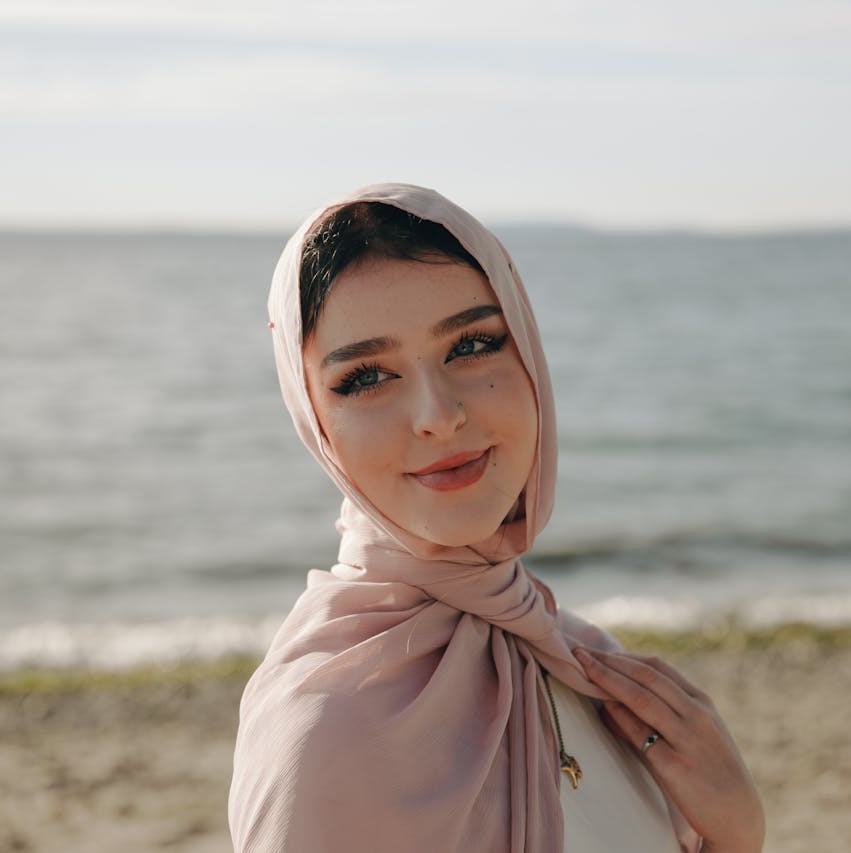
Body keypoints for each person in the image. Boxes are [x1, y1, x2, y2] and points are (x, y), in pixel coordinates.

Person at [228, 183, 764, 853]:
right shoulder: (320, 731)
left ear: (529, 355)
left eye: (472, 345)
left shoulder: (584, 660)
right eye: (365, 377)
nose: (437, 416)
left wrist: (734, 835)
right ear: (316, 423)